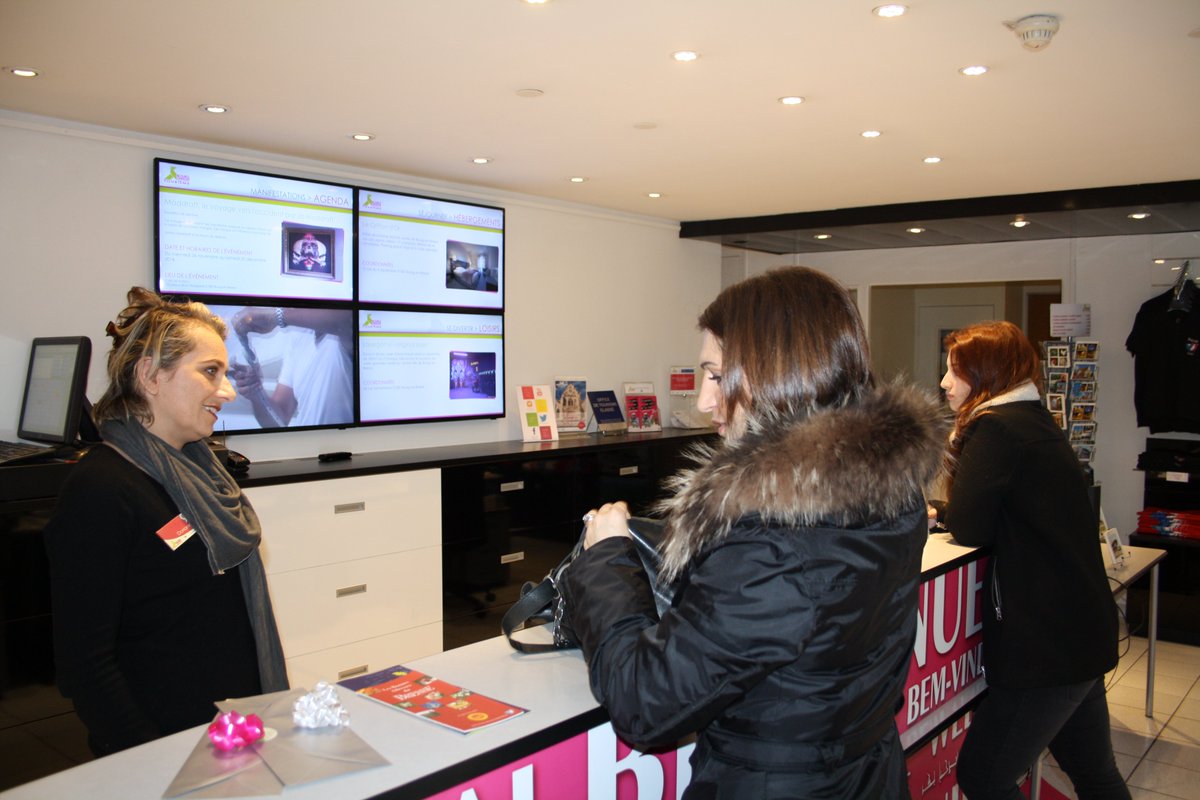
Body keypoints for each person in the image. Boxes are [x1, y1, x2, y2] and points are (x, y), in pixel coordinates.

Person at [559, 267, 948, 798]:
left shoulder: (774, 542)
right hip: (868, 774)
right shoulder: (891, 490)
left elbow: (646, 705)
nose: (701, 400)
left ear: (775, 373)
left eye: (717, 375)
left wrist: (607, 558)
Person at [43, 287, 288, 757]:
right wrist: (151, 759)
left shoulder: (202, 470)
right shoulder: (102, 489)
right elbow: (86, 665)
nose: (229, 390)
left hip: (228, 735)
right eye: (210, 371)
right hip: (165, 751)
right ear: (151, 375)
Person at [938, 321, 1129, 799]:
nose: (943, 382)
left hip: (1044, 646)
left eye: (954, 371)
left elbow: (973, 524)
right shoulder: (1034, 419)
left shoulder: (996, 427)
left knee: (984, 778)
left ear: (987, 375)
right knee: (1095, 775)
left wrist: (942, 511)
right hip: (1079, 633)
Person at [227, 306, 354, 428]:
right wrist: (256, 392)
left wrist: (275, 316)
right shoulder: (299, 338)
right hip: (309, 445)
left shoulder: (342, 329)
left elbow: (349, 319)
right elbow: (279, 420)